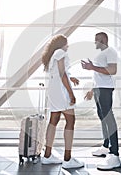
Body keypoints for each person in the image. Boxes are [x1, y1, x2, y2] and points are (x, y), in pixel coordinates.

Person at [41, 34, 84, 169]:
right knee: (70, 121)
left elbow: (58, 73)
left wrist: (72, 78)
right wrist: (71, 94)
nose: (68, 46)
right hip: (61, 92)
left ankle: (47, 156)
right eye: (67, 43)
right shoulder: (60, 52)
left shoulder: (53, 54)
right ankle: (67, 159)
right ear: (62, 44)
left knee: (53, 121)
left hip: (53, 91)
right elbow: (62, 74)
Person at [81, 32, 121, 170]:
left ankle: (114, 154)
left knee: (108, 118)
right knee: (103, 118)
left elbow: (112, 70)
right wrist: (92, 90)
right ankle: (105, 146)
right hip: (99, 89)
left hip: (106, 89)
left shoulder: (110, 51)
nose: (95, 42)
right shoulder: (101, 54)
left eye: (96, 40)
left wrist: (92, 67)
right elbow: (98, 74)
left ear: (103, 39)